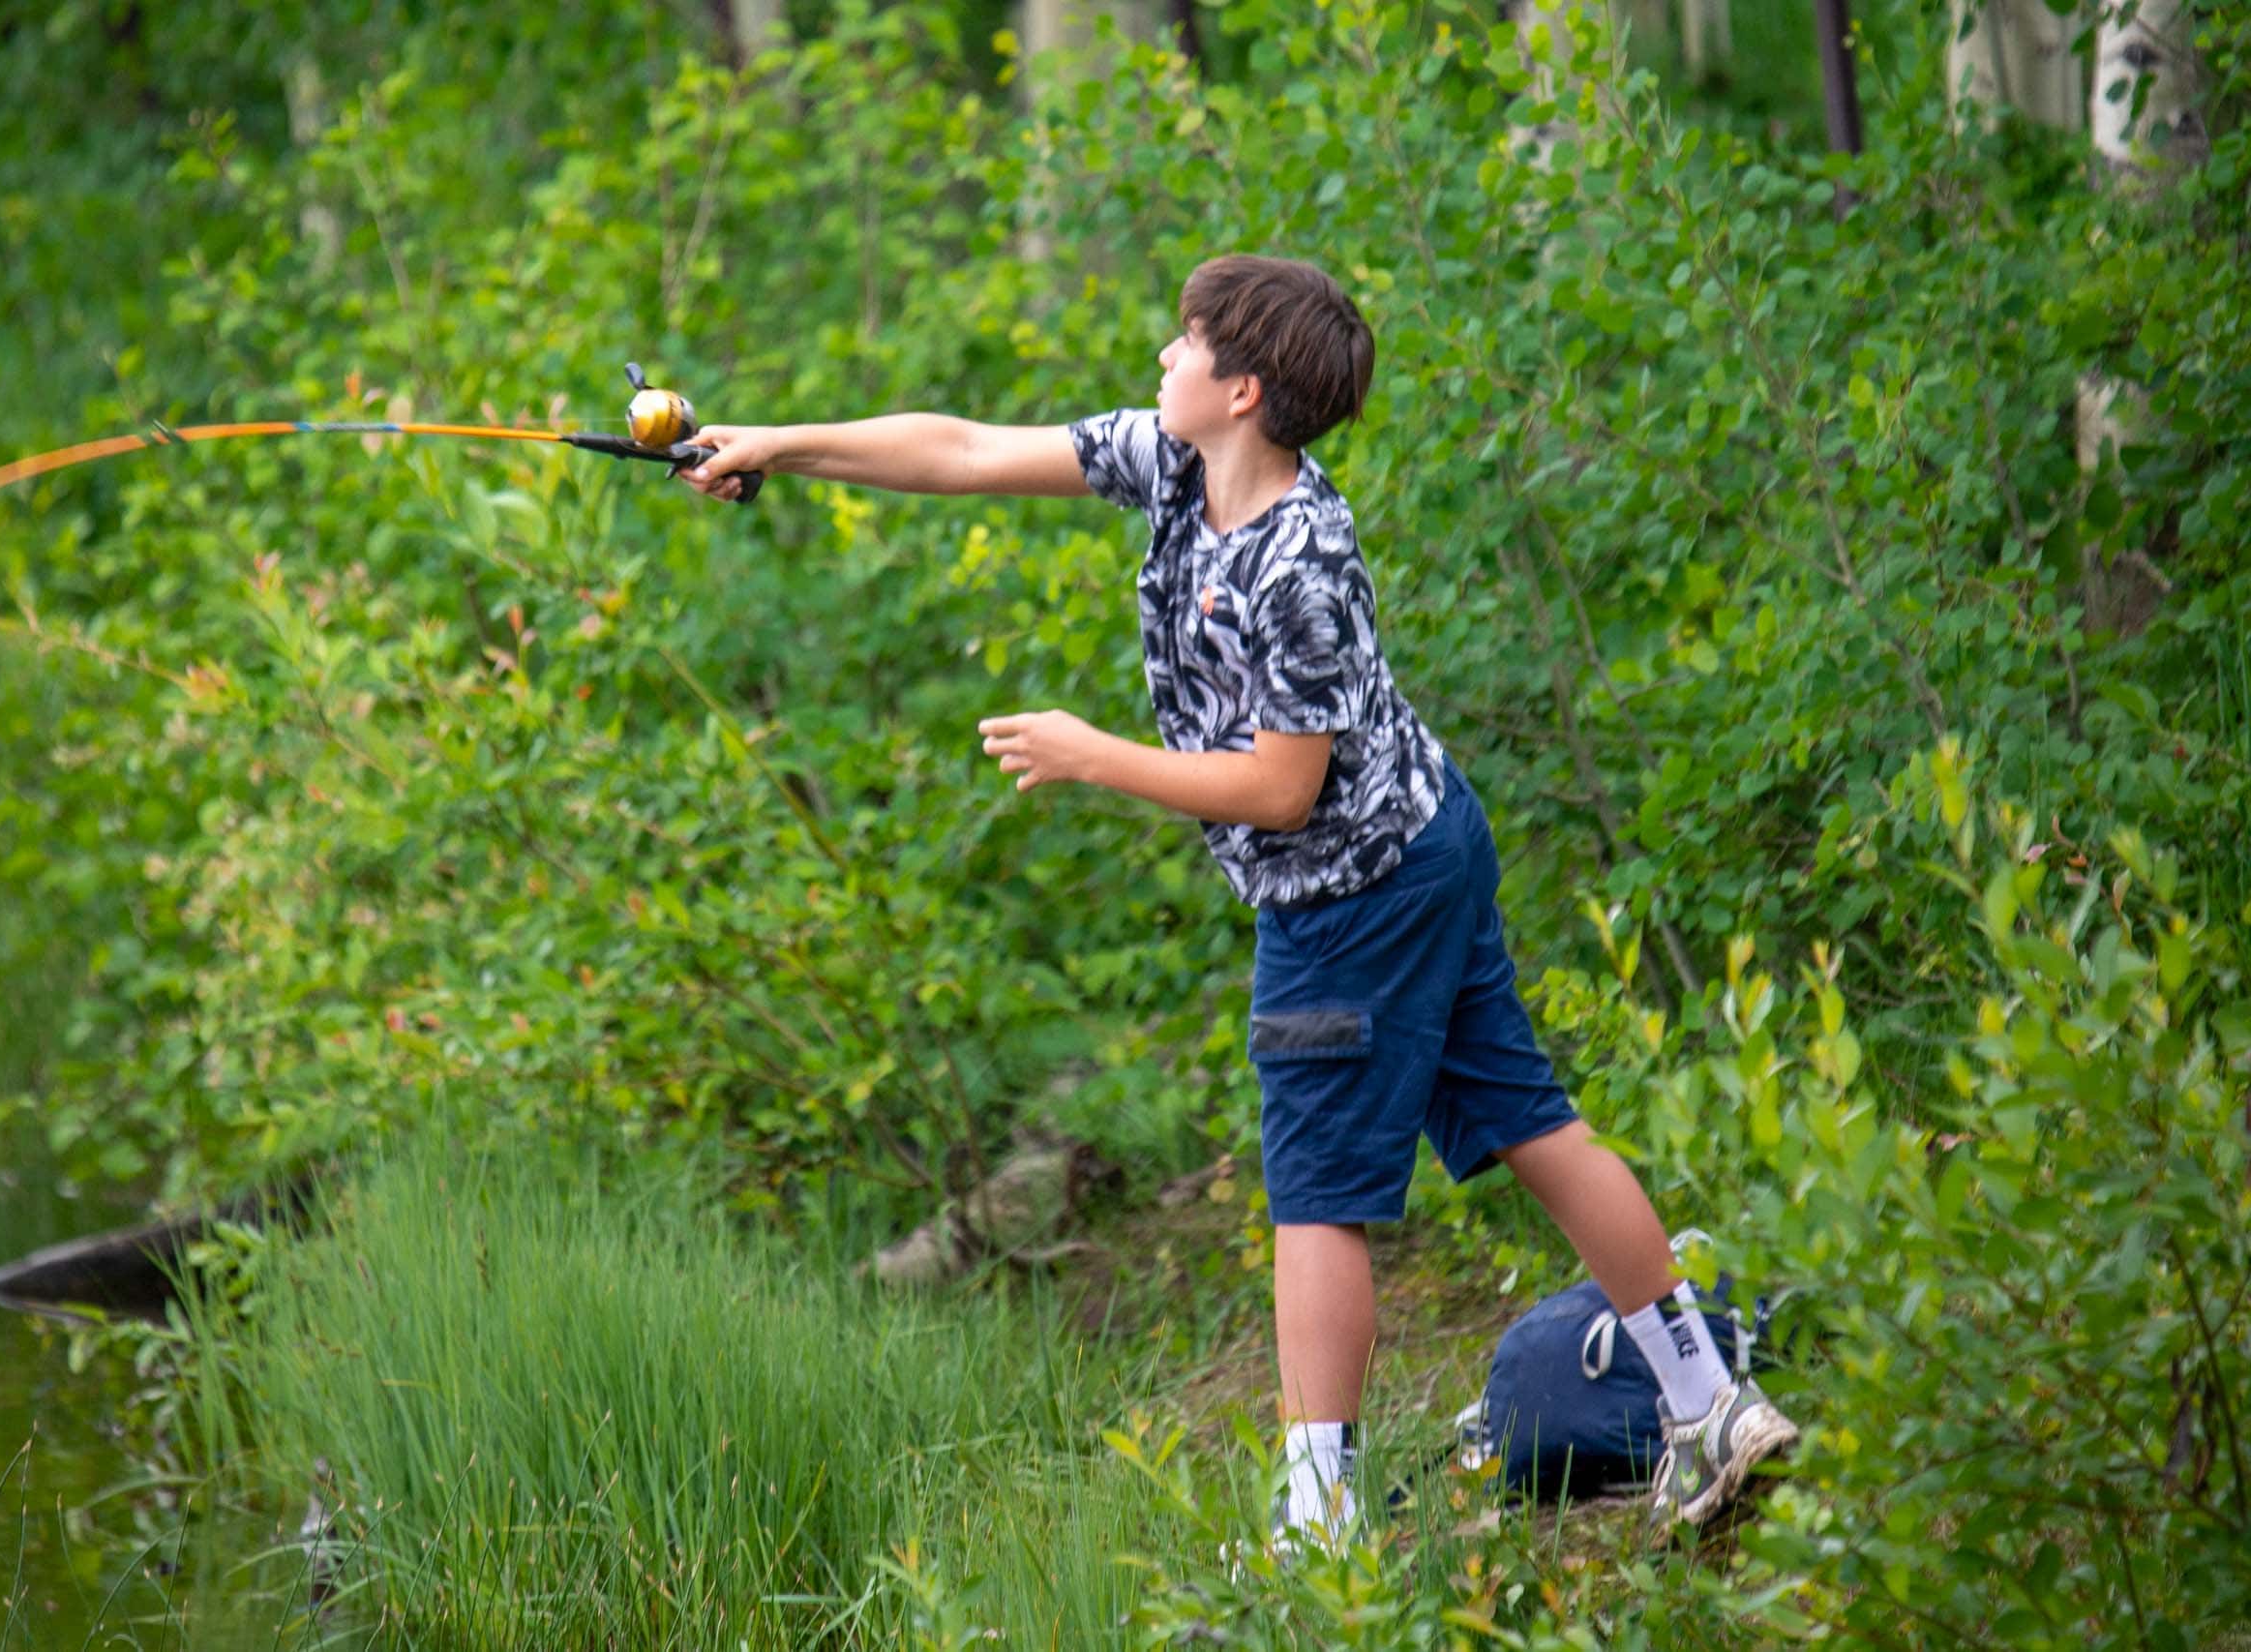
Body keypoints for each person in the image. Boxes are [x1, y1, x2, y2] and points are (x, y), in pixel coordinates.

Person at [675, 253, 1796, 1547]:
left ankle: (1319, 1523)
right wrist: (779, 443)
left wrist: (1089, 753)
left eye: (1186, 340)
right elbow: (966, 447)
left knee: (1316, 1192)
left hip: (1358, 889)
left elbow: (1276, 790)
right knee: (1527, 1120)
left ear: (1245, 388)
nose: (1163, 355)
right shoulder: (1173, 464)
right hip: (1423, 842)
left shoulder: (1300, 561)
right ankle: (1710, 1408)